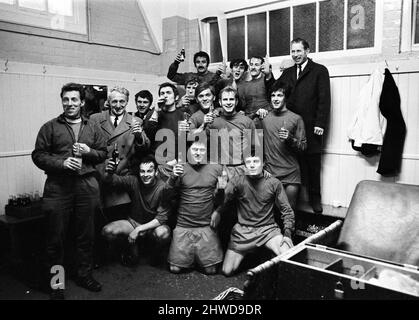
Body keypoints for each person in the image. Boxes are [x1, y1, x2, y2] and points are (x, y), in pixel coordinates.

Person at [32, 82, 108, 299]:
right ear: (62, 101)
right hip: (58, 186)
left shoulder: (92, 126)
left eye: (74, 99)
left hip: (86, 185)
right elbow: (38, 155)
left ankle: (84, 275)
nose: (70, 103)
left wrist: (88, 151)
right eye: (66, 99)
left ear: (82, 102)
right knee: (55, 237)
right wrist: (62, 163)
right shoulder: (50, 127)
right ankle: (56, 283)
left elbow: (103, 153)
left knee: (86, 234)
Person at [215, 153, 295, 276]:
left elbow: (286, 210)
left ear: (263, 164)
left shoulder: (274, 183)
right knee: (227, 271)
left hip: (268, 230)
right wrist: (221, 190)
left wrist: (288, 233)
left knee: (289, 256)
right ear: (245, 165)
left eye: (256, 162)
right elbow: (223, 201)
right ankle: (251, 254)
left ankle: (262, 254)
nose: (252, 165)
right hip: (243, 231)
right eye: (249, 162)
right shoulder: (237, 181)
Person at [277, 38, 331, 213]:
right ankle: (296, 202)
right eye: (293, 51)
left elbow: (324, 99)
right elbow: (275, 91)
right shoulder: (288, 72)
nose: (295, 55)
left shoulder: (320, 71)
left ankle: (316, 200)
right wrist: (270, 74)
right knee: (295, 166)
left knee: (313, 167)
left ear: (307, 51)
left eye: (299, 51)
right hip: (292, 128)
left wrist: (320, 123)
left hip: (312, 127)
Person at [166, 140, 225, 275]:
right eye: (194, 150)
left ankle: (196, 256)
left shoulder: (216, 168)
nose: (198, 153)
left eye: (201, 150)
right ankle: (191, 256)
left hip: (205, 225)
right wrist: (172, 177)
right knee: (175, 269)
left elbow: (222, 200)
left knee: (211, 270)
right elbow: (166, 196)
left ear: (207, 153)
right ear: (188, 152)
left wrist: (220, 198)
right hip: (184, 224)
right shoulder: (180, 167)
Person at [101, 155, 172, 266]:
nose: (145, 175)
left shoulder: (163, 187)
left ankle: (152, 251)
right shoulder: (134, 181)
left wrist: (139, 229)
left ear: (156, 172)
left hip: (153, 227)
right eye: (142, 171)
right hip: (133, 222)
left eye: (149, 171)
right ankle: (129, 245)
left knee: (163, 233)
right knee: (107, 231)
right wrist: (109, 173)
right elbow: (111, 181)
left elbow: (162, 218)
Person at [262, 82, 306, 210]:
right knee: (270, 212)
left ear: (285, 97)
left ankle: (288, 231)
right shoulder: (264, 118)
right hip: (270, 172)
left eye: (279, 95)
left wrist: (290, 139)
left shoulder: (296, 118)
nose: (275, 98)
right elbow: (253, 141)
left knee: (288, 211)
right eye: (273, 95)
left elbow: (303, 147)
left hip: (291, 172)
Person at [238, 56, 275, 127]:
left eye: (256, 65)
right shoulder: (245, 85)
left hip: (264, 118)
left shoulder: (267, 80)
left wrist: (266, 110)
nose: (253, 67)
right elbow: (242, 106)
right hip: (248, 120)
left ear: (262, 66)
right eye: (251, 64)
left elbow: (275, 100)